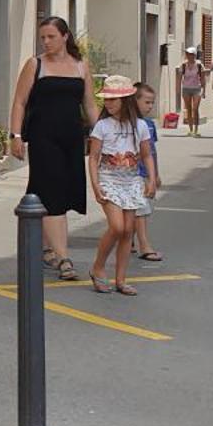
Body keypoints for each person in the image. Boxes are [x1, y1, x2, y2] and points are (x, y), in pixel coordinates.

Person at [9, 16, 100, 281]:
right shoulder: (35, 65)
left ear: (65, 37)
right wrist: (15, 135)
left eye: (51, 36)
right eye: (43, 38)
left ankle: (44, 247)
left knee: (59, 191)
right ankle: (64, 258)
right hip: (42, 137)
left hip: (71, 138)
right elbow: (19, 102)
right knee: (52, 194)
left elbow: (90, 104)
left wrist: (101, 135)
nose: (46, 42)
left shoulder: (81, 66)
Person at [86, 76, 145, 294]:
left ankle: (121, 279)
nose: (107, 104)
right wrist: (95, 184)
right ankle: (98, 267)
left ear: (126, 100)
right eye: (106, 100)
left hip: (131, 181)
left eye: (112, 100)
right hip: (108, 180)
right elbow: (93, 157)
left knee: (128, 230)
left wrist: (150, 178)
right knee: (117, 226)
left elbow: (147, 154)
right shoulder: (102, 126)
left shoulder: (140, 126)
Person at [128, 80, 163, 262]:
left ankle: (129, 241)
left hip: (145, 174)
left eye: (152, 103)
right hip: (132, 174)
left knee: (138, 209)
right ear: (134, 101)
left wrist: (154, 174)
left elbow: (151, 151)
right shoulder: (128, 124)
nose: (150, 106)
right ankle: (144, 245)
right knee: (140, 209)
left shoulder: (149, 125)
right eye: (147, 102)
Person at [177, 47, 207, 137]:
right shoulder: (183, 65)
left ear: (194, 55)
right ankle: (190, 129)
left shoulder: (199, 65)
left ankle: (196, 129)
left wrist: (204, 91)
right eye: (188, 54)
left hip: (196, 88)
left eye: (191, 54)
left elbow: (203, 78)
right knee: (189, 109)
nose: (189, 56)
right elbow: (179, 78)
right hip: (186, 88)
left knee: (195, 108)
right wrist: (178, 90)